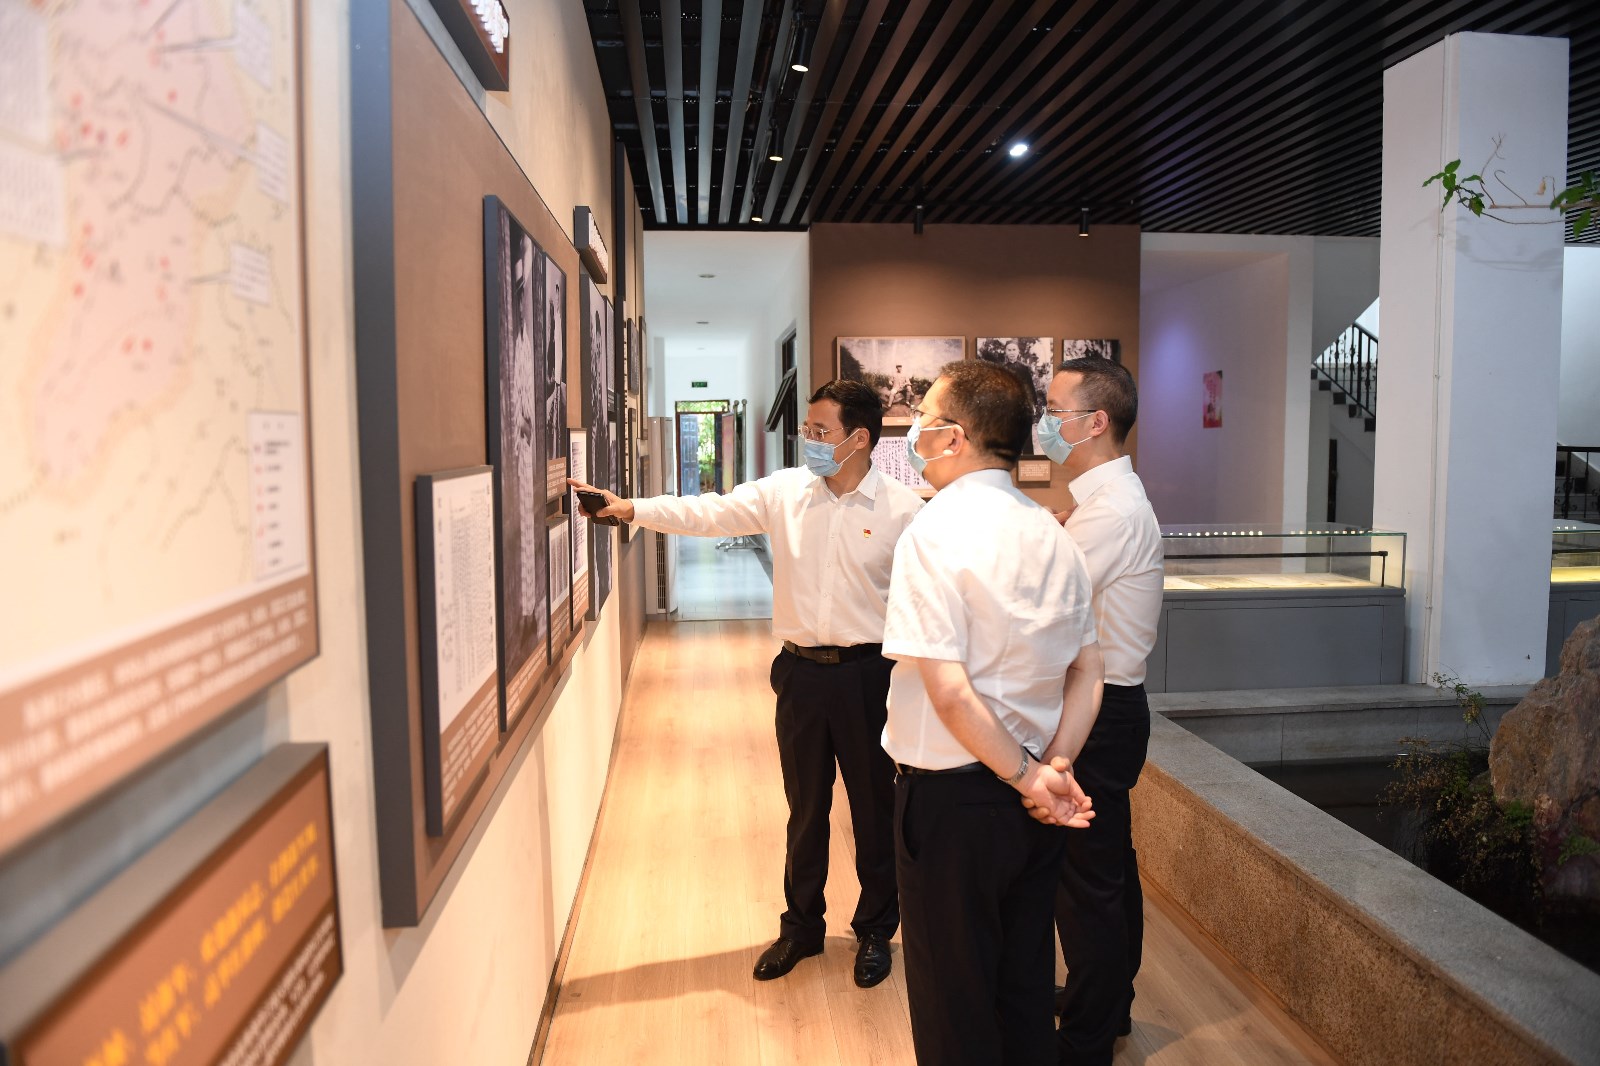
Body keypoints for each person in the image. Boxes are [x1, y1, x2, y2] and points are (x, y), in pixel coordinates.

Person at [569, 379, 923, 989]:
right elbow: (709, 511)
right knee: (805, 808)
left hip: (870, 677)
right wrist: (631, 509)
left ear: (860, 438)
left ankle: (874, 930)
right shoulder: (786, 492)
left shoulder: (904, 511)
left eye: (820, 431)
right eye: (807, 429)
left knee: (874, 809)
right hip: (801, 675)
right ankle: (801, 928)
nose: (808, 440)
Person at [881, 360, 1104, 1066]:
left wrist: (1030, 777)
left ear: (953, 437)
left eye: (924, 419)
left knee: (954, 1004)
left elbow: (949, 691)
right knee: (1022, 989)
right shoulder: (1054, 534)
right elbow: (1088, 672)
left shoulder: (934, 531)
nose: (915, 431)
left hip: (954, 803)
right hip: (1033, 801)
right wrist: (1052, 768)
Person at [1036, 357, 1164, 1065]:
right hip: (1106, 706)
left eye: (1055, 411)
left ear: (1096, 423)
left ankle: (1087, 1038)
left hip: (1102, 710)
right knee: (1106, 865)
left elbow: (1046, 606)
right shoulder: (1101, 503)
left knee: (1088, 880)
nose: (1045, 422)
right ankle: (1107, 1004)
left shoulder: (1111, 511)